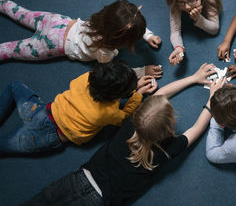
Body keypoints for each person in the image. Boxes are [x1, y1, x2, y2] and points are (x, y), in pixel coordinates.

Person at [23, 63, 224, 206]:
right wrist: (212, 99)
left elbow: (159, 96)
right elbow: (195, 130)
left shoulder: (130, 123)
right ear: (169, 130)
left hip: (80, 178)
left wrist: (192, 78)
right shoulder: (164, 151)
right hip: (101, 200)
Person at [0, 59, 158, 155]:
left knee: (15, 87)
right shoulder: (107, 112)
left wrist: (133, 85)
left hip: (40, 112)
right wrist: (138, 93)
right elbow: (125, 117)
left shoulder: (88, 77)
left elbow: (110, 89)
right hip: (50, 137)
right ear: (116, 97)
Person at [0, 0, 162, 70]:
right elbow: (111, 70)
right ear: (121, 40)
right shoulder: (105, 52)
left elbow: (127, 24)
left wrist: (147, 35)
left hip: (58, 21)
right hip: (52, 45)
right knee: (11, 50)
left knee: (20, 12)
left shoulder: (103, 18)